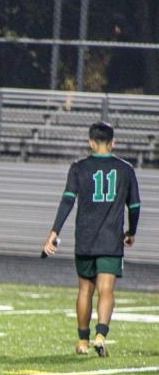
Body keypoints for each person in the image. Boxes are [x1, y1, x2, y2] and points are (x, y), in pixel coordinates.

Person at [43, 121, 141, 357]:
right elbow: (135, 205)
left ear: (90, 142)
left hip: (85, 238)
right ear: (113, 142)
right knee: (106, 290)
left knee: (85, 289)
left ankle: (82, 341)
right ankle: (101, 335)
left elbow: (67, 201)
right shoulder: (125, 169)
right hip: (110, 240)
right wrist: (131, 232)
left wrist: (54, 232)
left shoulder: (78, 168)